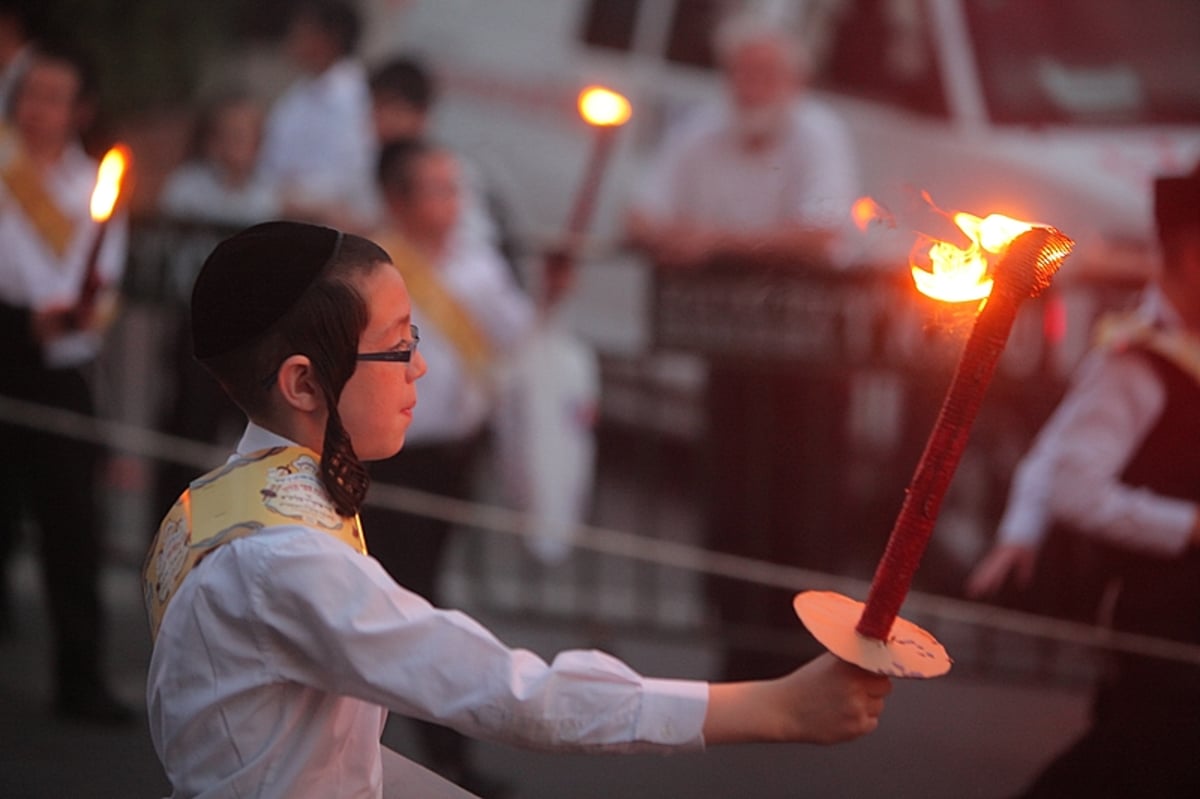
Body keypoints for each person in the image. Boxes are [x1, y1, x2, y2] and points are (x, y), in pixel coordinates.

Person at [142, 220, 891, 798]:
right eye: (397, 347)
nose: (421, 366)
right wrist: (777, 709)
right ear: (304, 383)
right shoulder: (284, 562)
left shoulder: (225, 500)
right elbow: (514, 695)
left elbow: (319, 755)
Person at [625, 10, 860, 681]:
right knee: (732, 494)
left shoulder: (820, 131)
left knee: (805, 500)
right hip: (733, 352)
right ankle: (737, 640)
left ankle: (804, 650)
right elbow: (640, 209)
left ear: (795, 77)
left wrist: (714, 242)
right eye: (742, 71)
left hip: (812, 360)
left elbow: (820, 230)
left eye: (766, 72)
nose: (751, 86)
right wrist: (671, 236)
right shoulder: (702, 128)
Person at [965, 163, 1200, 798]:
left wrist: (1021, 529)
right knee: (1137, 755)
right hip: (1163, 616)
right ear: (1190, 256)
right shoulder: (1139, 362)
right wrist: (1190, 526)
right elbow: (1070, 474)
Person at [363, 137, 535, 790]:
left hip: (451, 458)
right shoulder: (370, 266)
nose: (451, 203)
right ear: (396, 199)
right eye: (435, 189)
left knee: (413, 600)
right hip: (387, 463)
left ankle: (412, 755)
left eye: (454, 188)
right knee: (404, 604)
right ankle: (435, 758)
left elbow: (518, 335)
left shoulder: (478, 263)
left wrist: (546, 292)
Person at [0, 41, 132, 723]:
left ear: (80, 108)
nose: (38, 109)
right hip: (5, 348)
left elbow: (105, 288)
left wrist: (75, 318)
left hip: (62, 372)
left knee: (72, 529)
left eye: (54, 97)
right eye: (29, 93)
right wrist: (25, 322)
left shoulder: (91, 182)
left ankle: (79, 677)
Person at [258, 0, 375, 230]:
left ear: (331, 36)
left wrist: (301, 201)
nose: (293, 37)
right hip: (282, 210)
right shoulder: (297, 95)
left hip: (331, 221)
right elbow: (271, 159)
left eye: (303, 30)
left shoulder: (356, 97)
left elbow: (350, 171)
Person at [158, 91, 282, 226]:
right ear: (211, 141)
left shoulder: (270, 189)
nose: (233, 145)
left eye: (244, 136)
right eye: (232, 135)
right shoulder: (186, 187)